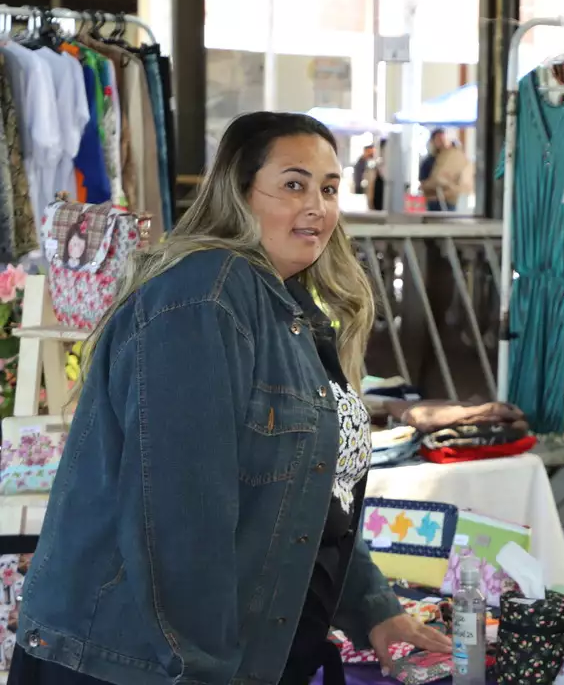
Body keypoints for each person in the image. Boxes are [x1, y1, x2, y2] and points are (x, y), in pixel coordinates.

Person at [11, 112, 452, 685]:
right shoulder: (204, 299)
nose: (317, 206)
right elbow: (178, 519)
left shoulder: (289, 311)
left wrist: (375, 609)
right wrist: (204, 671)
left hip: (246, 650)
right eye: (294, 185)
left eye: (329, 188)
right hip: (139, 663)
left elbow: (314, 497)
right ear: (239, 194)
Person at [420, 129, 471, 212]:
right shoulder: (428, 162)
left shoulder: (452, 158)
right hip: (433, 201)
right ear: (432, 141)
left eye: (443, 139)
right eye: (438, 139)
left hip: (450, 201)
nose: (442, 142)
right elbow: (423, 182)